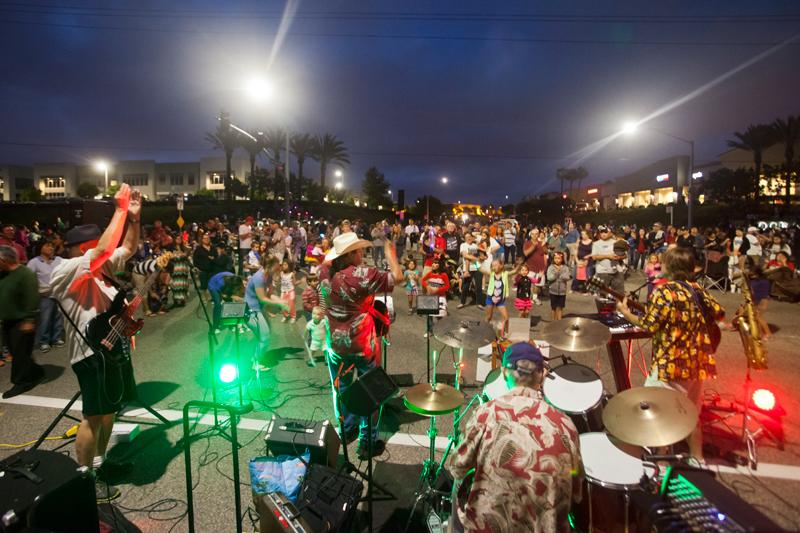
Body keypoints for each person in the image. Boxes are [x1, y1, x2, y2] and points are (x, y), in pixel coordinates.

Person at [49, 184, 151, 502]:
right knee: (93, 417)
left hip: (110, 350)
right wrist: (120, 209)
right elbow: (107, 250)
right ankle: (84, 481)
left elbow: (128, 249)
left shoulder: (102, 270)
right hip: (89, 355)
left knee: (109, 414)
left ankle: (99, 466)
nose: (107, 247)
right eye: (97, 245)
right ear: (83, 248)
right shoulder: (64, 270)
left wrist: (133, 220)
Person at [448, 342, 582, 533]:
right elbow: (576, 490)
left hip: (490, 528)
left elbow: (457, 467)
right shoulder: (565, 425)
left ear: (504, 373)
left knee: (458, 486)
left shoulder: (487, 414)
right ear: (541, 375)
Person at [617, 246, 724, 461]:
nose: (660, 265)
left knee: (656, 412)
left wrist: (626, 312)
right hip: (698, 360)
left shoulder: (665, 291)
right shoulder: (697, 289)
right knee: (690, 413)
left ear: (671, 266)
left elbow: (649, 324)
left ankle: (661, 462)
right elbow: (719, 313)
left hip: (671, 361)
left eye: (663, 262)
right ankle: (697, 459)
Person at [322, 233, 403, 460]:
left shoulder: (324, 273)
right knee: (370, 390)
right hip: (362, 345)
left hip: (335, 345)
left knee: (342, 387)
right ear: (351, 254)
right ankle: (367, 441)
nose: (362, 253)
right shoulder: (362, 274)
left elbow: (321, 301)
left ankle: (347, 429)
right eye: (359, 251)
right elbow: (397, 278)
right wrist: (391, 256)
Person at [0, 245, 45, 398]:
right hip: (8, 320)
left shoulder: (25, 274)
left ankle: (21, 382)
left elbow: (32, 297)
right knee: (18, 352)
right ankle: (36, 372)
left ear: (3, 259)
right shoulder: (4, 274)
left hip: (22, 321)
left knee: (19, 354)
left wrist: (29, 319)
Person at [244, 255, 289, 372]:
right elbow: (263, 298)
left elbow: (270, 295)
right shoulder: (259, 278)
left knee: (264, 335)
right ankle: (255, 362)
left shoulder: (268, 276)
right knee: (264, 336)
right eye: (277, 265)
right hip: (251, 311)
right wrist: (280, 304)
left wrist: (281, 301)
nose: (279, 267)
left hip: (258, 309)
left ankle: (255, 357)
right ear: (269, 266)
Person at [27, 241, 64, 352]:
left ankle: (56, 338)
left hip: (59, 294)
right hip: (44, 295)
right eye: (47, 245)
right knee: (45, 318)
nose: (51, 248)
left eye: (52, 246)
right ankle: (44, 341)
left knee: (58, 317)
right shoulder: (34, 262)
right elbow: (29, 278)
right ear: (40, 247)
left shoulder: (58, 260)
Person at [590, 225, 625, 294]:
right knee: (603, 293)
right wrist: (608, 256)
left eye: (605, 232)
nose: (603, 234)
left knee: (619, 293)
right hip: (602, 271)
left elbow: (624, 255)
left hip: (617, 271)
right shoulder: (596, 244)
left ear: (610, 233)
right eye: (601, 232)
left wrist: (619, 257)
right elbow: (594, 257)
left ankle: (618, 304)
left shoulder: (616, 242)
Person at [457, 232, 482, 309]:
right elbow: (465, 255)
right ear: (465, 238)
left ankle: (479, 303)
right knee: (465, 286)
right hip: (467, 269)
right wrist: (475, 258)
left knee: (478, 286)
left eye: (470, 236)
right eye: (467, 236)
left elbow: (473, 255)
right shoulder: (463, 245)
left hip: (477, 267)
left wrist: (473, 257)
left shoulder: (474, 245)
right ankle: (462, 302)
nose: (468, 238)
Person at [546, 252, 571, 321]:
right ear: (553, 259)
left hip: (562, 291)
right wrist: (556, 274)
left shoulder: (565, 267)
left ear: (562, 259)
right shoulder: (551, 267)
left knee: (560, 307)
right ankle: (553, 322)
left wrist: (561, 275)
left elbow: (567, 277)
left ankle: (559, 322)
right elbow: (549, 278)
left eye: (559, 258)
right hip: (553, 291)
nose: (557, 260)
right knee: (553, 308)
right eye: (555, 258)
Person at [279, 259, 297, 323]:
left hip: (290, 291)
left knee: (291, 304)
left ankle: (293, 316)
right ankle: (285, 315)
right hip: (283, 292)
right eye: (283, 264)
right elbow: (278, 280)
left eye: (285, 265)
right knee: (283, 305)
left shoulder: (292, 274)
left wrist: (300, 281)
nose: (283, 266)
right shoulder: (281, 273)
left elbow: (294, 283)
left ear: (289, 266)